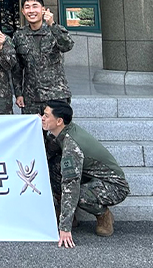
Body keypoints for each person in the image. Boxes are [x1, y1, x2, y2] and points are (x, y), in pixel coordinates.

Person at [42, 100, 130, 247]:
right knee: (52, 167)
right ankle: (71, 215)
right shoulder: (61, 132)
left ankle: (103, 215)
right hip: (91, 177)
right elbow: (47, 154)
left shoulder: (71, 145)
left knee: (78, 194)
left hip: (114, 186)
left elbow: (71, 185)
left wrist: (64, 228)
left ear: (59, 121)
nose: (42, 118)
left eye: (46, 116)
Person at [13, 0, 74, 115]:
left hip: (56, 95)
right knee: (33, 133)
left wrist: (52, 24)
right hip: (31, 98)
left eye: (35, 6)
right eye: (27, 7)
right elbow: (17, 68)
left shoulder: (55, 30)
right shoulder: (19, 35)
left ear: (43, 9)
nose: (31, 11)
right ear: (23, 11)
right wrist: (18, 93)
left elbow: (67, 46)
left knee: (57, 133)